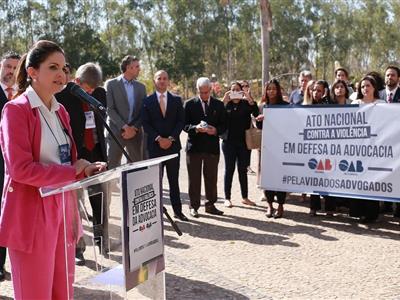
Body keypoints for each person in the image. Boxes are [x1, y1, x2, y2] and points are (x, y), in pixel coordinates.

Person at [0, 40, 106, 299]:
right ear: (33, 72)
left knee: (62, 292)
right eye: (53, 67)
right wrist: (72, 172)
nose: (63, 74)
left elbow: (64, 162)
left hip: (63, 211)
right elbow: (20, 169)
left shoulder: (61, 112)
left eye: (65, 68)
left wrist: (83, 168)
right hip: (32, 217)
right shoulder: (15, 110)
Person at [56, 62, 109, 265]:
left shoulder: (101, 94)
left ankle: (100, 238)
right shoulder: (64, 95)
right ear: (77, 81)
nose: (91, 92)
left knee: (99, 199)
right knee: (75, 205)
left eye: (94, 89)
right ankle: (78, 248)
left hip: (96, 154)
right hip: (76, 158)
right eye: (88, 88)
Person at [142, 70, 188, 221]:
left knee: (174, 181)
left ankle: (178, 211)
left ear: (168, 81)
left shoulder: (176, 100)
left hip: (173, 147)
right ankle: (157, 213)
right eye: (159, 78)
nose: (162, 81)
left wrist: (171, 138)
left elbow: (181, 121)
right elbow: (145, 123)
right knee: (156, 182)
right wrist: (159, 139)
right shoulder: (147, 101)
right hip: (155, 148)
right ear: (154, 81)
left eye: (165, 78)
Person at [184, 77, 226, 217]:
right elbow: (184, 125)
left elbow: (224, 125)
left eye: (206, 92)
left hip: (211, 148)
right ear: (197, 90)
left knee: (211, 178)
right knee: (194, 179)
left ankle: (210, 204)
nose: (204, 95)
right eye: (201, 92)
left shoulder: (219, 105)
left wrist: (215, 130)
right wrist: (195, 128)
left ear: (211, 90)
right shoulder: (189, 104)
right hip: (194, 148)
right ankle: (193, 206)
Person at [349, 75, 384, 223]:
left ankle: (371, 213)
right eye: (362, 86)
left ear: (374, 87)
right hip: (357, 147)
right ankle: (358, 210)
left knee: (372, 180)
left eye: (368, 86)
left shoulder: (382, 104)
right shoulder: (355, 103)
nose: (365, 89)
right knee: (358, 177)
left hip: (375, 146)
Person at [221, 81, 258, 208]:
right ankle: (227, 198)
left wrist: (248, 97)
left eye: (238, 90)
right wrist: (224, 101)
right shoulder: (227, 105)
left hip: (244, 143)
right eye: (233, 90)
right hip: (229, 143)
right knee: (229, 170)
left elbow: (256, 113)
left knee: (242, 170)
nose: (235, 92)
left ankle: (245, 197)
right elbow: (218, 117)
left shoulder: (245, 104)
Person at [0, 51, 20, 281]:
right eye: (7, 66)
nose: (10, 71)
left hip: (16, 171)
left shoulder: (23, 96)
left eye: (15, 67)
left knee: (8, 218)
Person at [105, 55, 147, 168]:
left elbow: (143, 111)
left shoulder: (141, 87)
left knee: (136, 167)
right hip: (115, 132)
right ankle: (114, 187)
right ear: (128, 67)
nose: (139, 69)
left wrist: (134, 128)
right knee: (112, 166)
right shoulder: (111, 84)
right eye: (137, 66)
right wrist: (125, 127)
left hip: (135, 133)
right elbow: (110, 109)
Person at [256, 79, 288, 218]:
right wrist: (260, 120)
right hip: (267, 147)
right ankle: (269, 205)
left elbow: (290, 124)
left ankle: (281, 205)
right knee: (268, 177)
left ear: (278, 90)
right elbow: (259, 128)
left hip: (281, 147)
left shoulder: (286, 106)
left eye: (274, 89)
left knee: (280, 177)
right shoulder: (263, 106)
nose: (271, 91)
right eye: (269, 89)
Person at [241, 80, 257, 175]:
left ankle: (247, 166)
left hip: (248, 129)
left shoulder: (250, 99)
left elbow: (255, 112)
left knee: (248, 148)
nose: (244, 88)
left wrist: (249, 98)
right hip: (237, 131)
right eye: (242, 86)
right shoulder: (234, 99)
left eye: (246, 86)